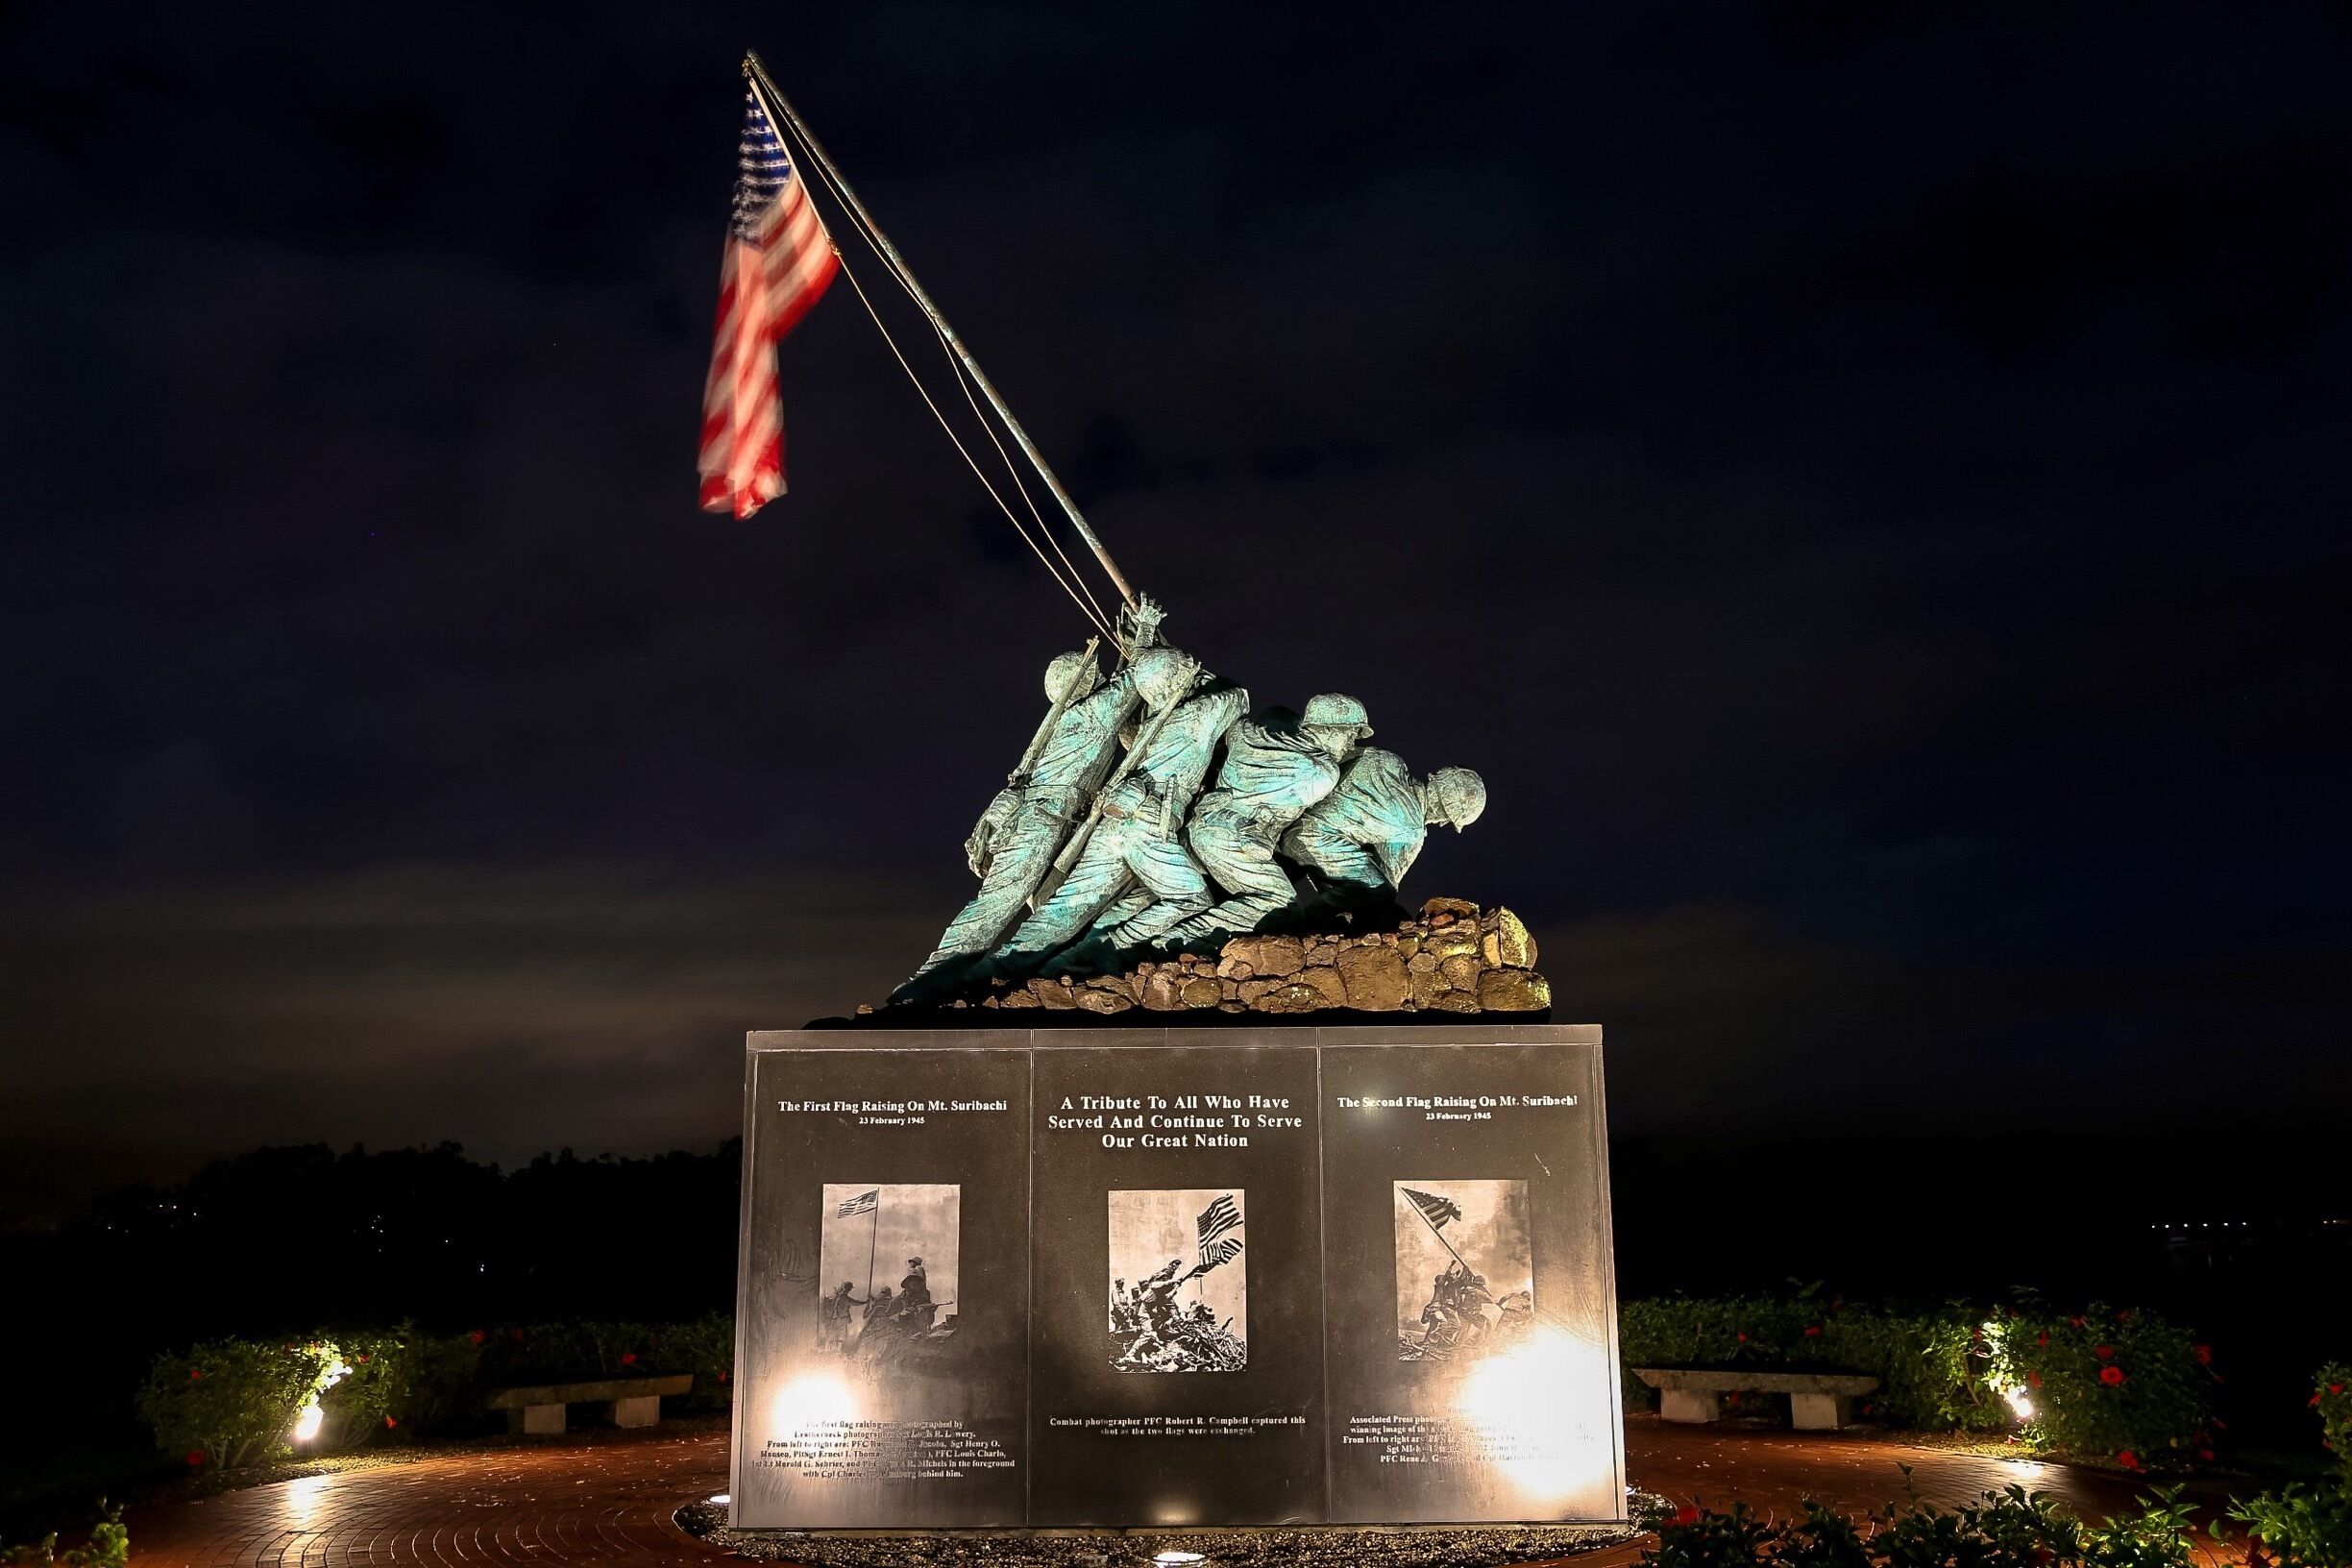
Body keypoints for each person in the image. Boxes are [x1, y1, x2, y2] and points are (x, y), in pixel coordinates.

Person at [889, 647, 1136, 1001]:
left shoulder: (1071, 714)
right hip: (1044, 821)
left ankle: (1044, 972)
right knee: (1000, 900)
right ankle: (931, 978)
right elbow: (1136, 680)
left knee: (1048, 905)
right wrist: (1142, 633)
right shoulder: (1095, 712)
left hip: (1055, 821)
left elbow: (1123, 679)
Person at [992, 656, 1247, 968]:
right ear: (1181, 678)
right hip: (1150, 825)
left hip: (1111, 826)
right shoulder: (1201, 714)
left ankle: (1000, 966)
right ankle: (1108, 946)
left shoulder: (1148, 722)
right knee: (1192, 898)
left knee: (1068, 907)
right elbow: (1239, 698)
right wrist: (1196, 677)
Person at [1161, 695, 1374, 945]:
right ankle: (1178, 938)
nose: (1351, 745)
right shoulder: (1321, 771)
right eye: (1349, 734)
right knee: (1281, 904)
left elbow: (1262, 720)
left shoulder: (1249, 732)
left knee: (1279, 877)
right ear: (1326, 728)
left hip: (1204, 826)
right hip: (1235, 839)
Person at [1282, 752, 1485, 919]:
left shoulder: (1390, 761)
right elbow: (1387, 882)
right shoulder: (1411, 831)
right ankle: (1311, 919)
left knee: (1353, 871)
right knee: (1378, 890)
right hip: (1312, 843)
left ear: (1436, 778)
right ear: (1445, 818)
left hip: (1286, 822)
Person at [818, 1281, 862, 1351]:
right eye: (850, 1288)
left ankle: (828, 1350)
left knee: (832, 1332)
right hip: (842, 1318)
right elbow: (854, 1302)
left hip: (835, 1317)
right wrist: (865, 1302)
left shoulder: (837, 1296)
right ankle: (836, 1351)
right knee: (842, 1334)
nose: (850, 1290)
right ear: (847, 1289)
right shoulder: (844, 1297)